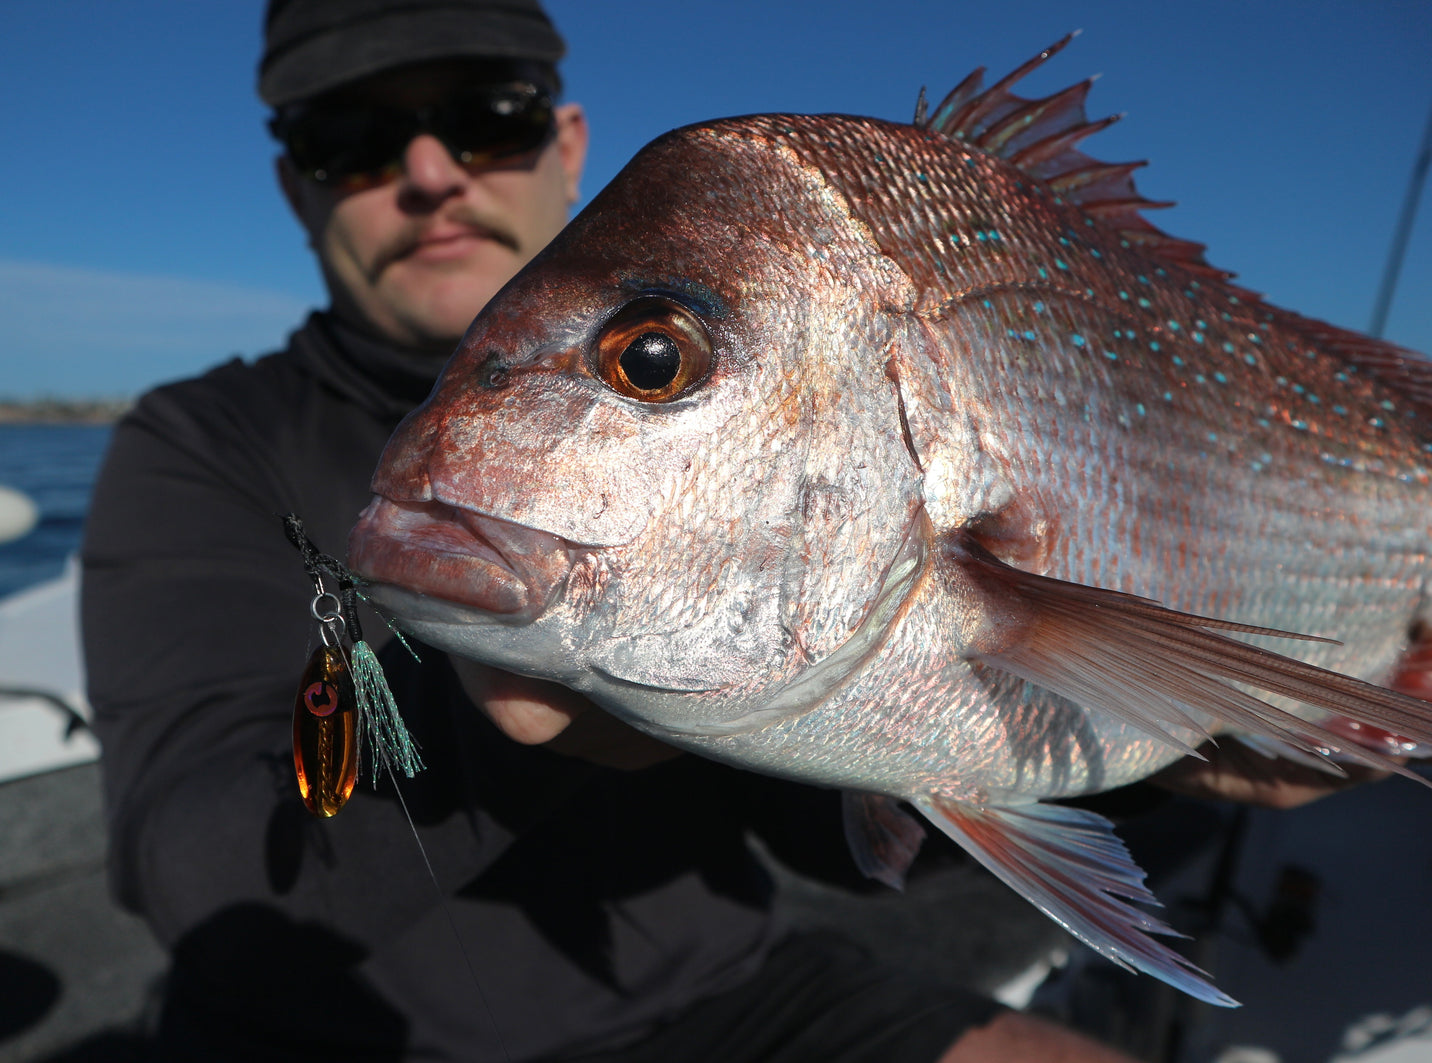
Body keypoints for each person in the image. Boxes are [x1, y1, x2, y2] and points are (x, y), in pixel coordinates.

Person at [81, 2, 1151, 1060]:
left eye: (487, 116)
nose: (429, 173)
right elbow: (196, 877)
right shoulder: (199, 443)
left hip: (726, 1005)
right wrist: (479, 725)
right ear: (293, 186)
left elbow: (824, 848)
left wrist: (1154, 732)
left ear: (568, 143)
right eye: (347, 141)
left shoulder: (812, 385)